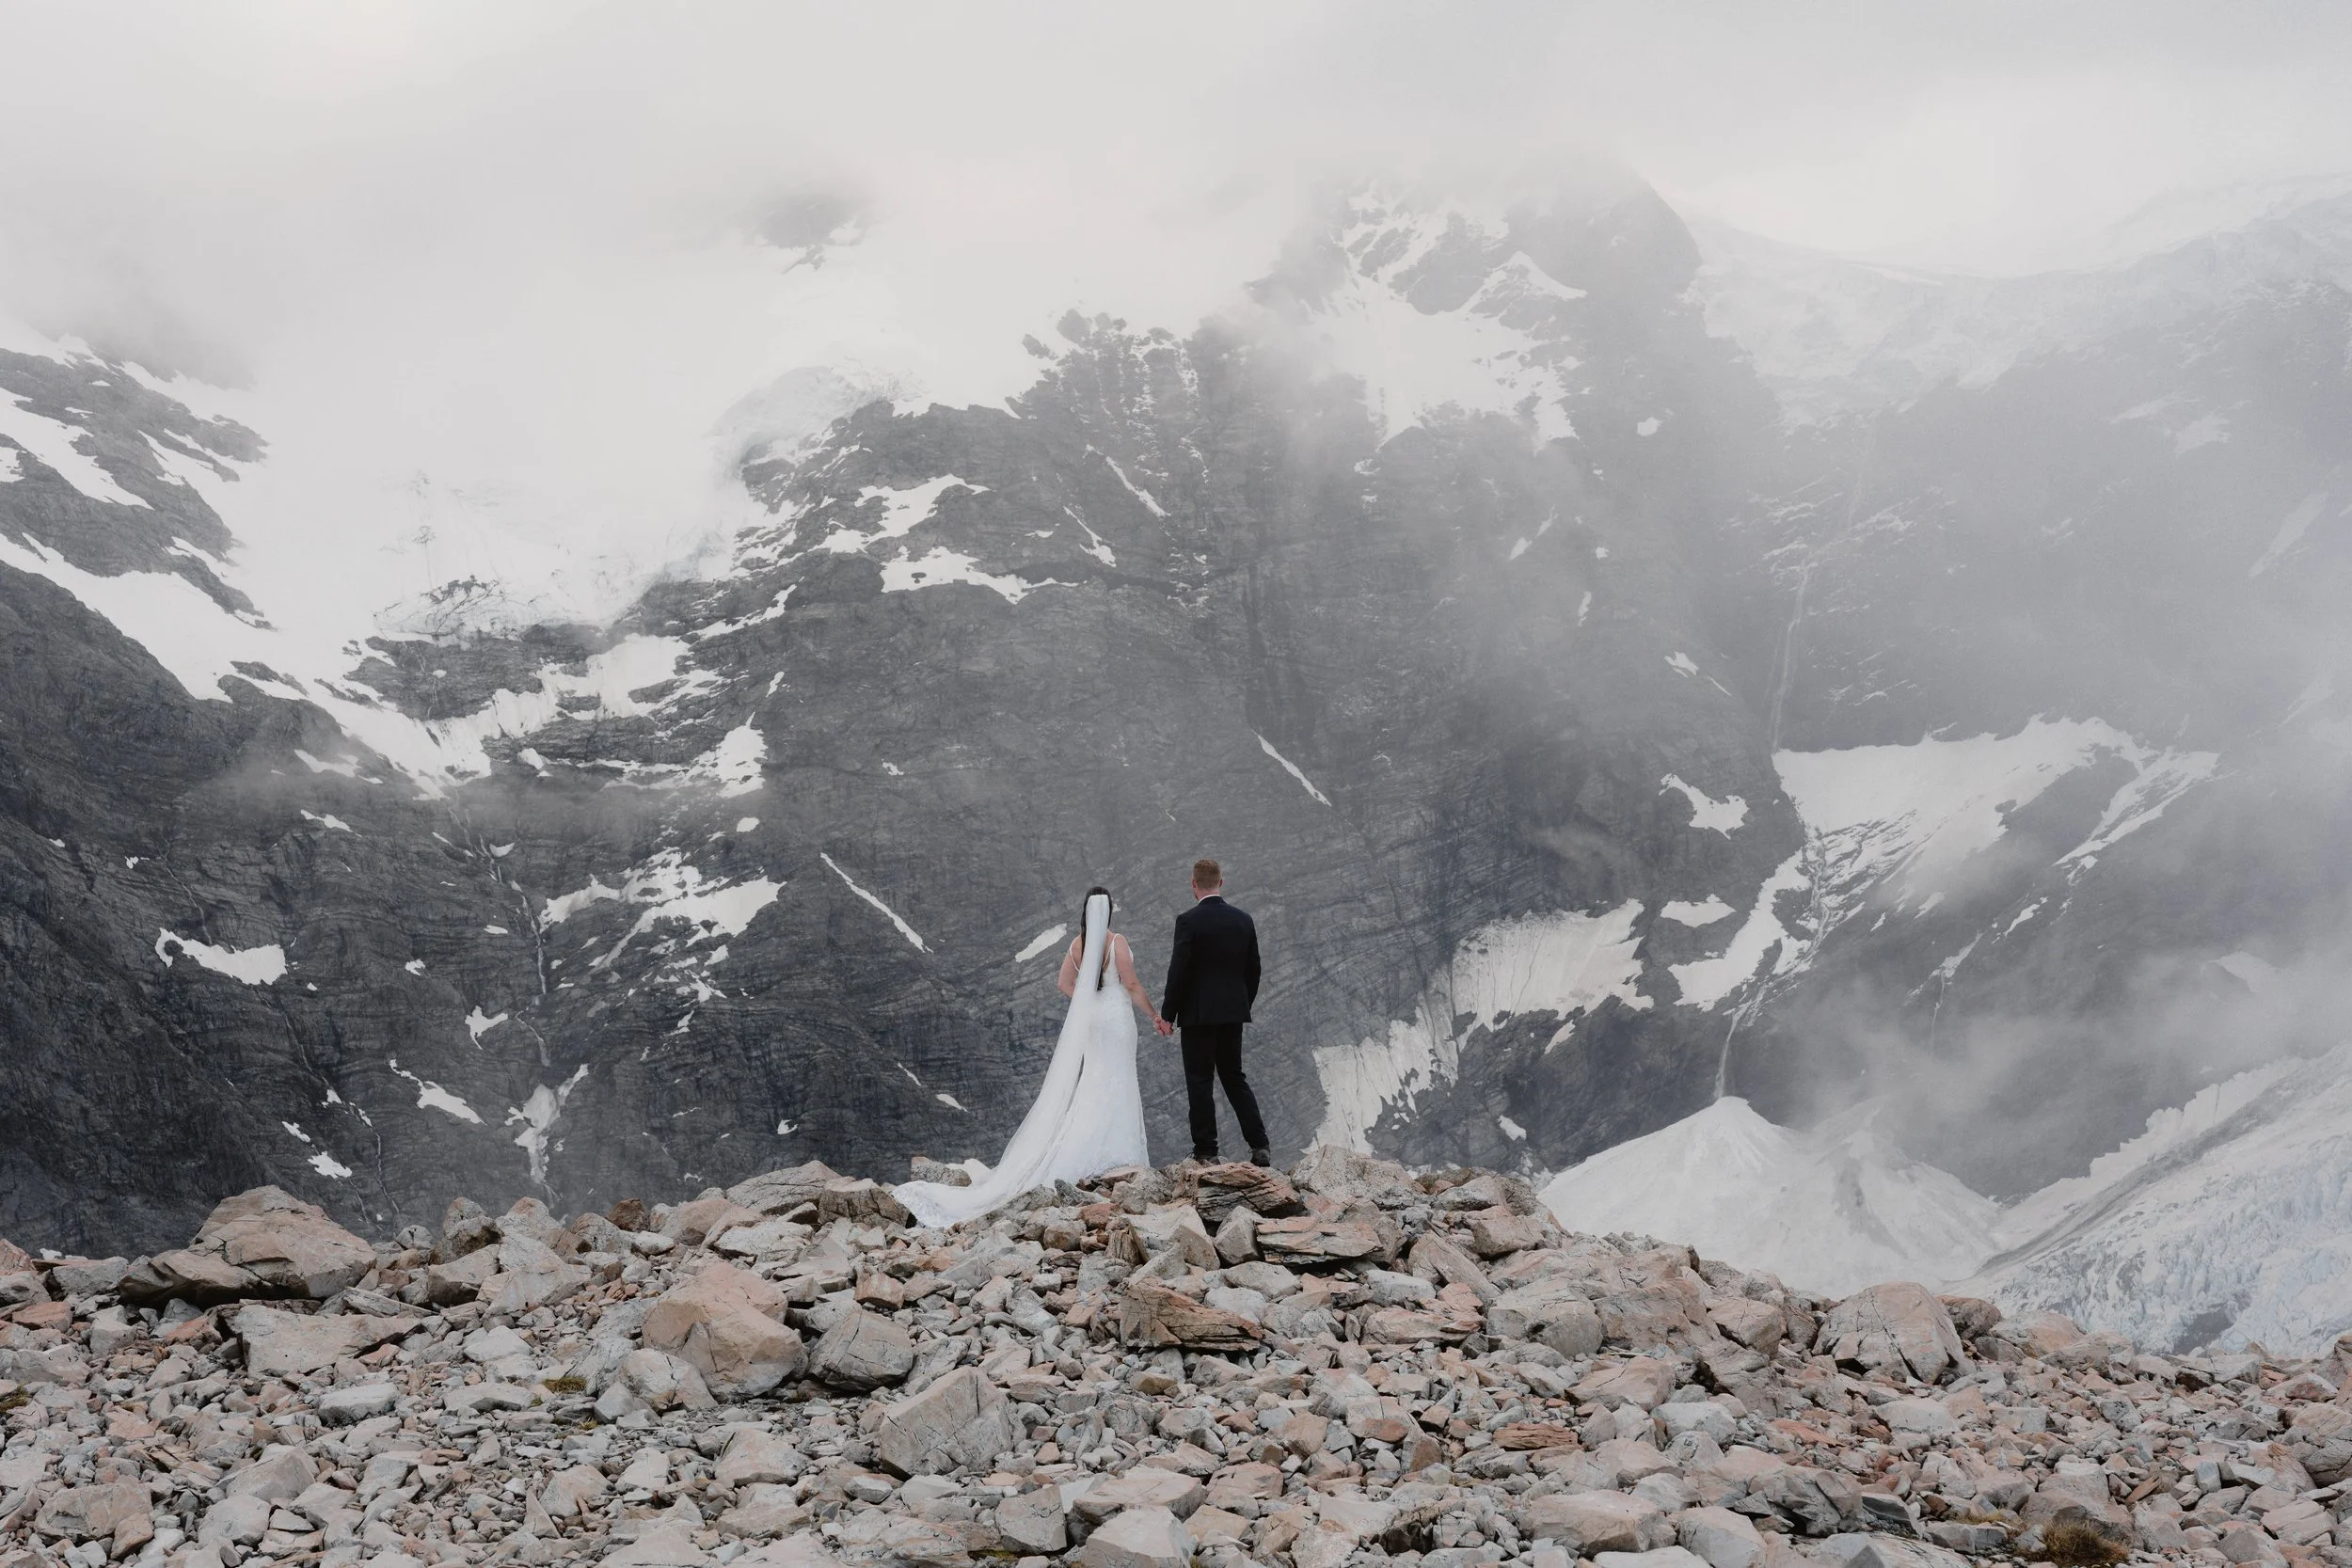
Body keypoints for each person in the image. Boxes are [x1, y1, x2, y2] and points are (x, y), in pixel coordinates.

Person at [893, 887, 1151, 1227]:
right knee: (1119, 1079)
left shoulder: (1076, 945)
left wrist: (1088, 1001)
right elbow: (1131, 985)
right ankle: (1120, 1157)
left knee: (1093, 1080)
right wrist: (1155, 1014)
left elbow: (1063, 983)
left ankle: (1087, 1153)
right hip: (1116, 1020)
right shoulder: (1117, 942)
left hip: (1093, 1022)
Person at [1158, 858, 1270, 1166]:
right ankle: (1260, 1145)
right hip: (1233, 1013)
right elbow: (1254, 970)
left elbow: (1178, 971)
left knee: (1200, 1080)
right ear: (1221, 883)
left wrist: (1168, 1015)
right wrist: (1241, 1004)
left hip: (1198, 1016)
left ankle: (1207, 1151)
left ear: (1193, 884)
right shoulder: (1243, 920)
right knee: (1235, 1077)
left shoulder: (1188, 921)